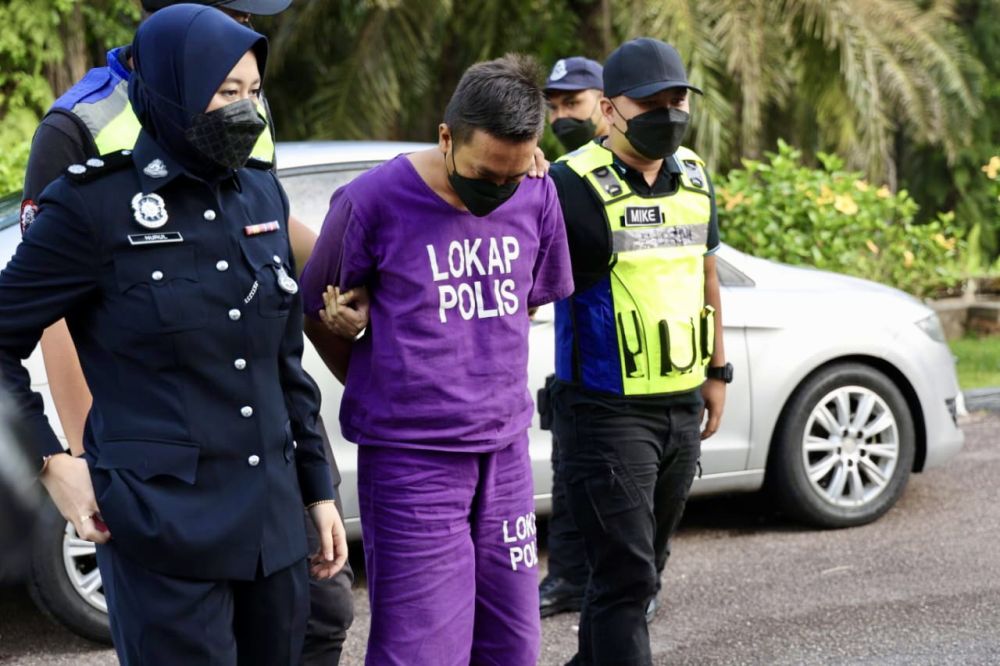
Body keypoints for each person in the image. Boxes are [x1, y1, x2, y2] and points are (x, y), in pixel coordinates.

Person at [0, 6, 347, 664]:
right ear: (170, 90)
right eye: (226, 92)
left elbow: (284, 364)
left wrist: (317, 489)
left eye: (254, 92)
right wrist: (51, 463)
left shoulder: (262, 196)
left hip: (272, 528)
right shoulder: (92, 206)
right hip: (161, 529)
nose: (246, 110)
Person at [300, 54, 574, 666]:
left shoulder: (538, 190)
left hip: (505, 454)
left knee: (514, 644)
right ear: (446, 137)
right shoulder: (371, 201)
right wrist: (384, 378)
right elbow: (319, 313)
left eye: (513, 175)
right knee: (421, 650)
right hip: (412, 462)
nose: (497, 190)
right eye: (484, 175)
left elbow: (524, 304)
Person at [548, 37, 733, 665]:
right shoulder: (568, 184)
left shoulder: (694, 176)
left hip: (681, 403)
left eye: (677, 100)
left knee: (638, 572)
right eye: (650, 103)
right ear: (609, 110)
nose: (668, 113)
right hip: (605, 410)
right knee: (626, 579)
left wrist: (718, 372)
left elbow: (706, 274)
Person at [537, 54, 609, 620]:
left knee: (622, 489)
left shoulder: (631, 174)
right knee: (569, 478)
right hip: (573, 359)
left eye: (574, 103)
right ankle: (565, 580)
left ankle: (633, 586)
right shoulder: (556, 175)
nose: (563, 116)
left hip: (627, 366)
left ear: (605, 104)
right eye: (555, 106)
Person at [544, 56, 609, 154]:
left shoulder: (631, 159)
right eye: (553, 107)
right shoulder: (564, 163)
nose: (560, 116)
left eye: (571, 103)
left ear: (604, 101)